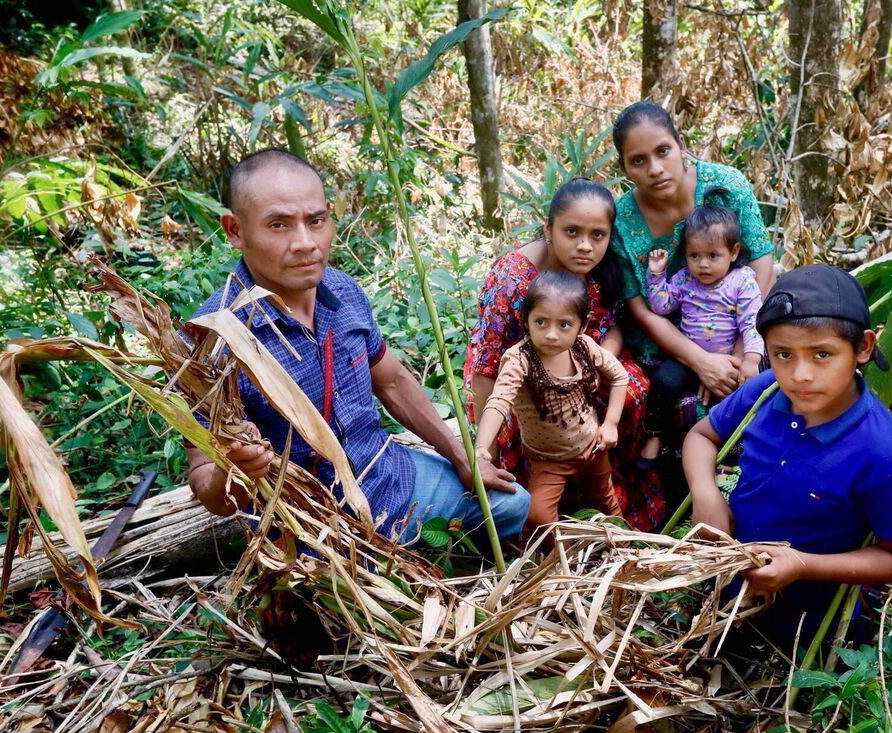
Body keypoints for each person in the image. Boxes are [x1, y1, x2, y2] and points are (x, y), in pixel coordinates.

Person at [185, 148, 530, 544]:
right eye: (279, 225)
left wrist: (462, 457)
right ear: (235, 230)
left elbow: (392, 382)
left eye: (316, 221)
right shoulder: (212, 340)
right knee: (359, 599)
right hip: (310, 526)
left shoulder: (343, 292)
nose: (304, 242)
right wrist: (235, 470)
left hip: (388, 479)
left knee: (510, 505)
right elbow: (203, 480)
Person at [683, 265, 892, 650]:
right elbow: (701, 436)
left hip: (813, 629)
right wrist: (705, 493)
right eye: (783, 354)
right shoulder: (765, 392)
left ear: (863, 347)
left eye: (822, 354)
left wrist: (802, 564)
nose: (800, 375)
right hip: (729, 594)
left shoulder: (885, 452)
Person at [464, 178, 667, 531]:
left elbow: (612, 324)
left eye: (597, 236)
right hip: (518, 384)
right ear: (549, 228)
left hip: (577, 365)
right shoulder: (513, 278)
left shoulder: (598, 269)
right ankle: (544, 519)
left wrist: (596, 363)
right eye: (571, 232)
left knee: (629, 387)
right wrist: (486, 454)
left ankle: (609, 499)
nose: (585, 246)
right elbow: (486, 368)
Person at [610, 101, 775, 440]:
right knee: (683, 411)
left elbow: (763, 274)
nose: (655, 168)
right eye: (638, 161)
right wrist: (701, 361)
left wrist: (735, 358)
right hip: (665, 349)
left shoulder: (728, 187)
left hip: (744, 332)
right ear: (624, 168)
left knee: (759, 403)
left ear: (681, 145)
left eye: (663, 151)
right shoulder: (621, 221)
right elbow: (640, 310)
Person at [474, 271, 627, 530]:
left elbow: (619, 376)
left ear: (582, 324)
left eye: (564, 325)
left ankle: (625, 547)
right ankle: (557, 559)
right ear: (526, 321)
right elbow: (499, 400)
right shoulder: (519, 359)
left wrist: (610, 423)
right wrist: (481, 447)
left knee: (606, 502)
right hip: (548, 459)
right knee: (538, 518)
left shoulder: (584, 347)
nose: (552, 334)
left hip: (592, 448)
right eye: (541, 322)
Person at [639, 193, 764, 465]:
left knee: (738, 400)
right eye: (694, 255)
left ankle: (735, 451)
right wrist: (657, 274)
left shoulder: (741, 281)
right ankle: (654, 434)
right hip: (688, 358)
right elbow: (661, 306)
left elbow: (752, 320)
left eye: (712, 255)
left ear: (733, 252)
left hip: (728, 359)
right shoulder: (685, 279)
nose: (703, 264)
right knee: (663, 382)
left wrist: (751, 359)